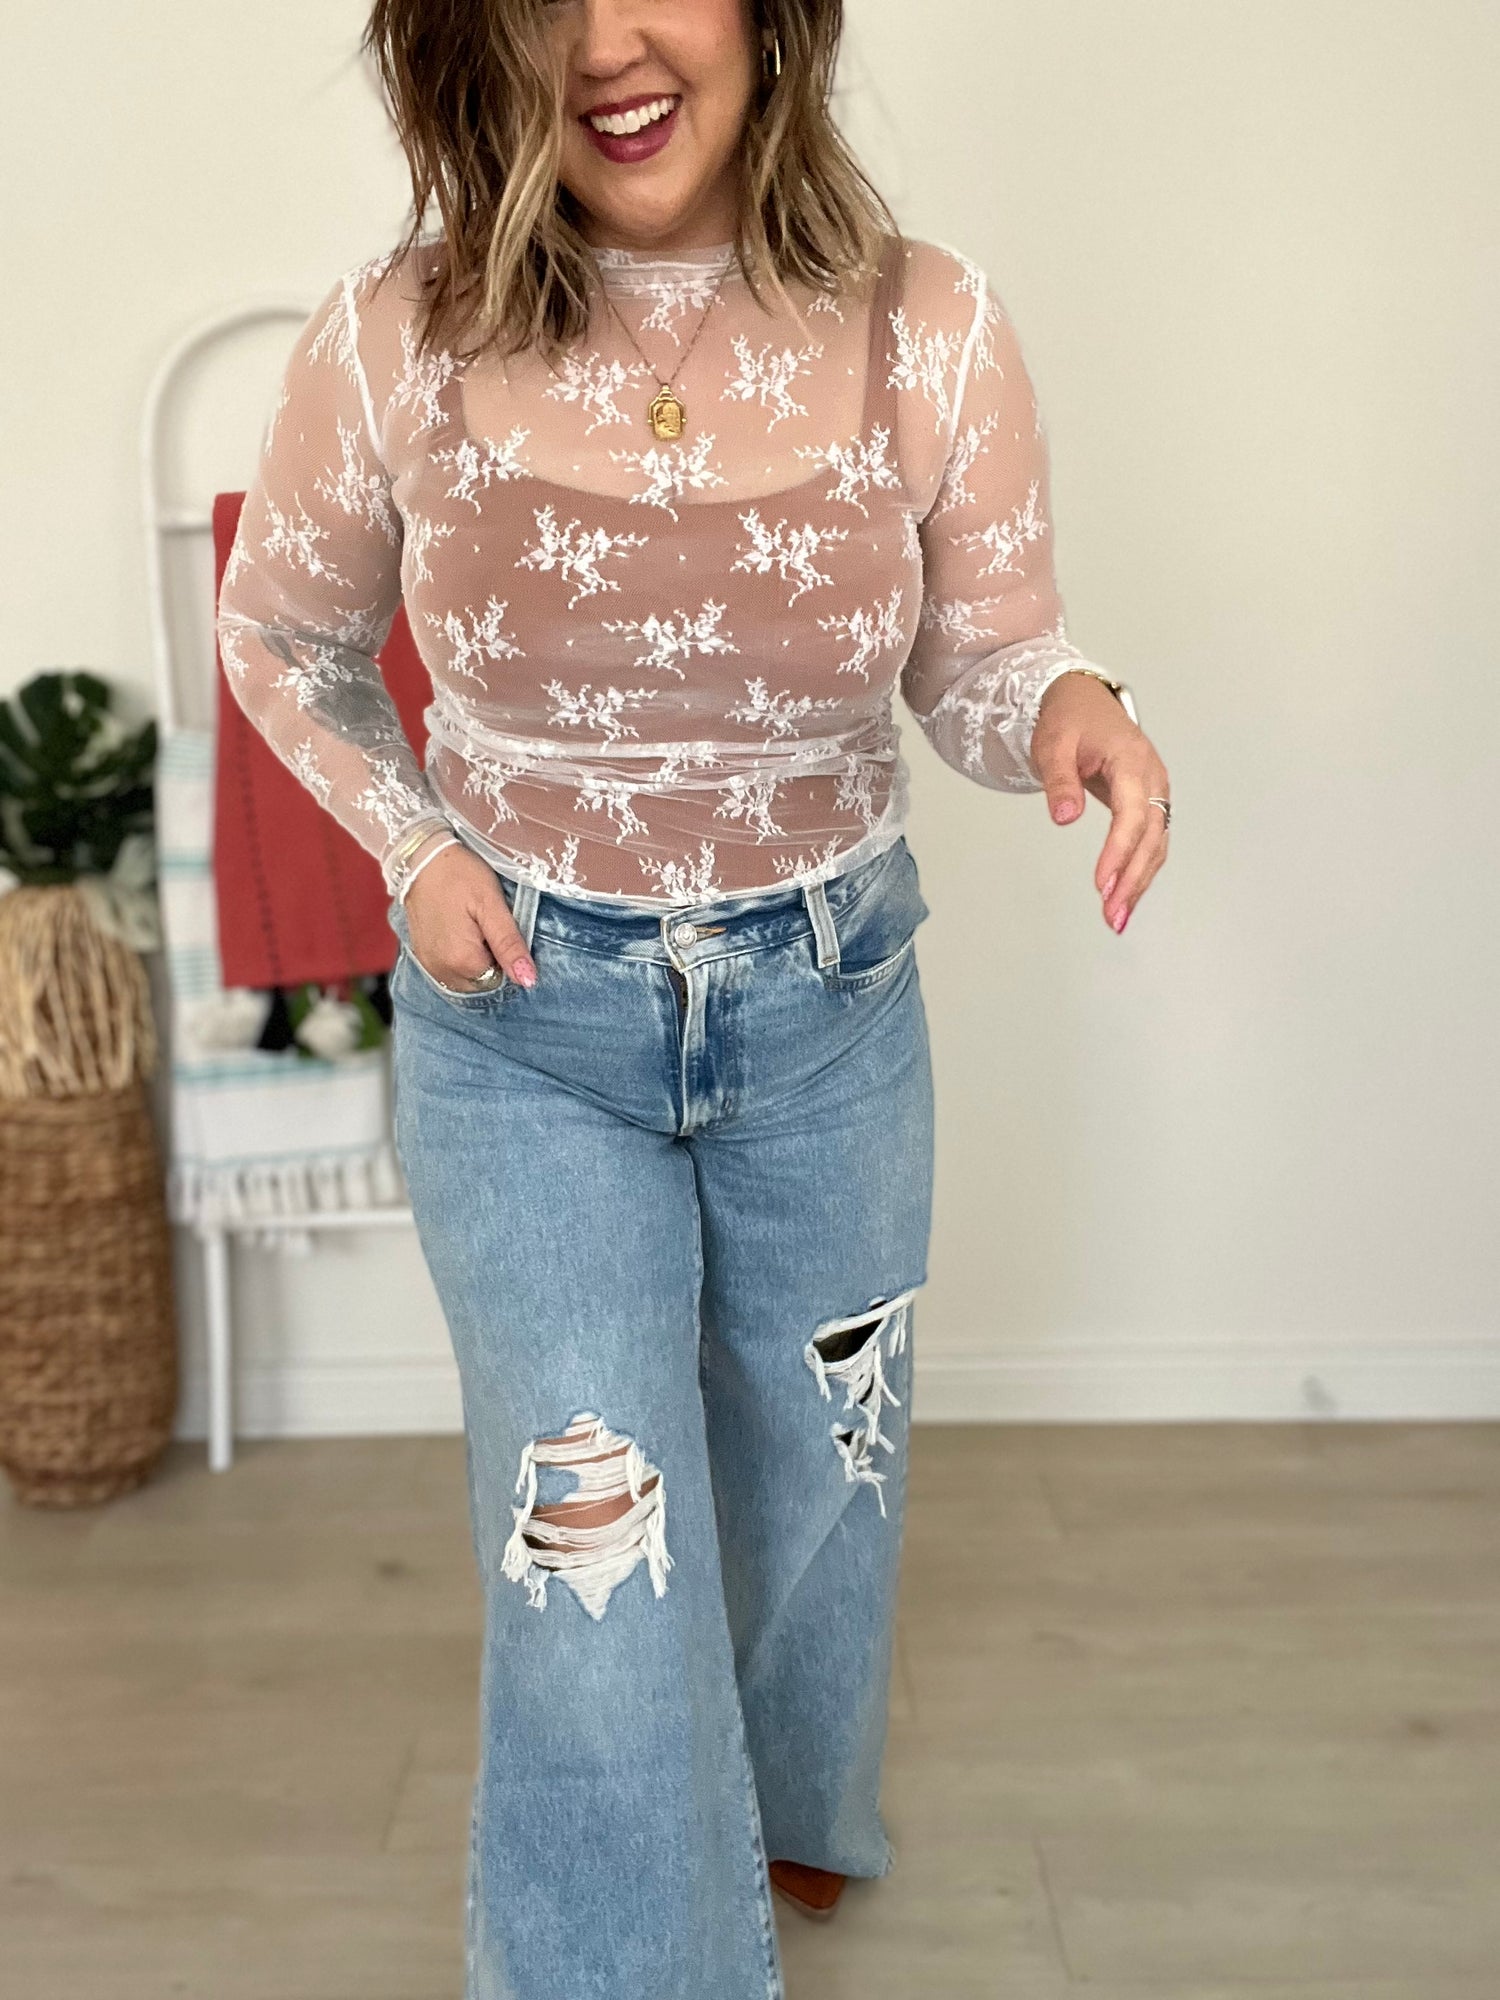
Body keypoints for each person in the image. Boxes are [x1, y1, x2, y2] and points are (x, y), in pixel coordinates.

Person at [215, 1, 1172, 1992]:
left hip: (831, 1007)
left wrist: (1073, 709)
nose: (608, 44)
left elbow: (984, 656)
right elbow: (284, 641)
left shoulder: (931, 326)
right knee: (594, 1541)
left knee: (825, 1467)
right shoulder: (393, 337)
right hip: (526, 1023)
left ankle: (788, 1808)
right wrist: (414, 844)